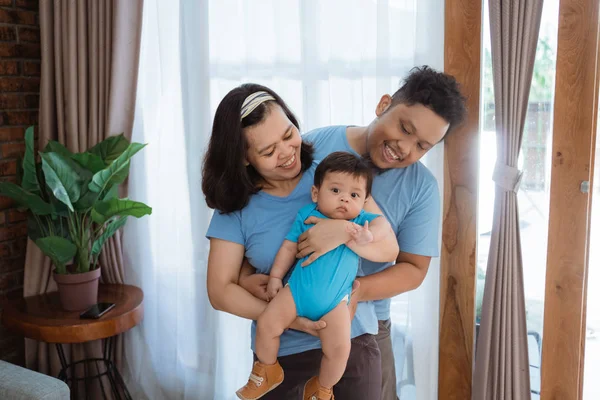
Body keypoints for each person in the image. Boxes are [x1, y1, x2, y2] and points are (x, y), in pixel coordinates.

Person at [239, 66, 467, 400]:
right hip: (289, 320)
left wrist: (352, 291)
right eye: (404, 128)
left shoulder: (422, 189)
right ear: (383, 104)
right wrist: (247, 277)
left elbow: (413, 270)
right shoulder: (309, 149)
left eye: (422, 146)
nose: (405, 148)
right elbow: (265, 222)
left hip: (365, 327)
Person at [204, 85, 399, 399]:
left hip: (350, 347)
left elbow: (389, 246)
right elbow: (220, 291)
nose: (286, 152)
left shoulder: (330, 176)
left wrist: (342, 233)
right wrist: (292, 320)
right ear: (243, 158)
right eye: (268, 151)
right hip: (280, 354)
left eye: (288, 133)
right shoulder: (235, 206)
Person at [236, 151, 397, 400]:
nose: (344, 199)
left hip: (335, 304)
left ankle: (322, 389)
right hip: (296, 292)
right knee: (267, 324)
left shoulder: (360, 221)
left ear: (364, 200)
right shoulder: (306, 215)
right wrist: (276, 278)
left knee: (340, 349)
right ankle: (267, 370)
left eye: (354, 195)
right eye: (335, 191)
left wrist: (369, 236)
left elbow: (383, 225)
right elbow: (289, 247)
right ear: (315, 193)